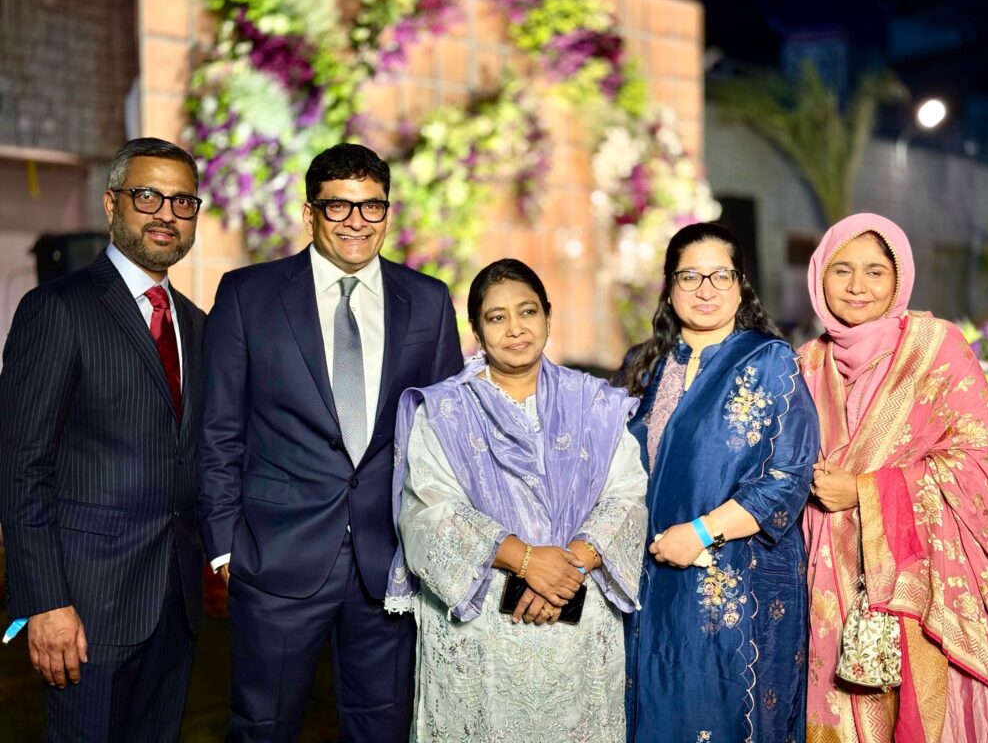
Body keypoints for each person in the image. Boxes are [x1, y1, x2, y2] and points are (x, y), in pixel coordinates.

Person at [199, 143, 463, 742]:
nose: (356, 221)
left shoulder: (426, 300)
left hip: (389, 562)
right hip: (273, 555)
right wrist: (223, 546)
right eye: (338, 206)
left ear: (387, 212)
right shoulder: (247, 294)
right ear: (309, 213)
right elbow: (219, 429)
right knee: (263, 727)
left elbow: (444, 438)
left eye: (372, 206)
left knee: (382, 728)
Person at [384, 258, 648, 741]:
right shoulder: (445, 410)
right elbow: (430, 511)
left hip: (577, 613)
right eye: (497, 317)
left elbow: (627, 495)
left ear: (548, 316)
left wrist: (564, 570)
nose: (515, 329)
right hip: (482, 628)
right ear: (476, 331)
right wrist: (526, 560)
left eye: (527, 312)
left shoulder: (595, 403)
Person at [0, 137, 206, 742]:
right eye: (148, 196)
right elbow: (20, 466)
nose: (166, 213)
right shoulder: (56, 309)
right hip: (85, 605)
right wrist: (44, 602)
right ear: (112, 204)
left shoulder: (198, 325)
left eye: (182, 201)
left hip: (175, 600)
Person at [800, 212, 988, 741]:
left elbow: (975, 461)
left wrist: (864, 490)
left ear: (899, 277)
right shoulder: (806, 362)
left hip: (919, 590)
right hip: (826, 586)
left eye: (875, 271)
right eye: (842, 270)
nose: (857, 286)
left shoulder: (935, 347)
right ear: (819, 276)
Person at [618, 223, 819, 742]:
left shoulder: (769, 361)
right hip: (650, 579)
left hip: (736, 578)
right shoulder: (643, 368)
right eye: (690, 276)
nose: (705, 289)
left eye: (720, 276)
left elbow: (787, 476)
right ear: (670, 286)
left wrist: (702, 532)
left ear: (740, 285)